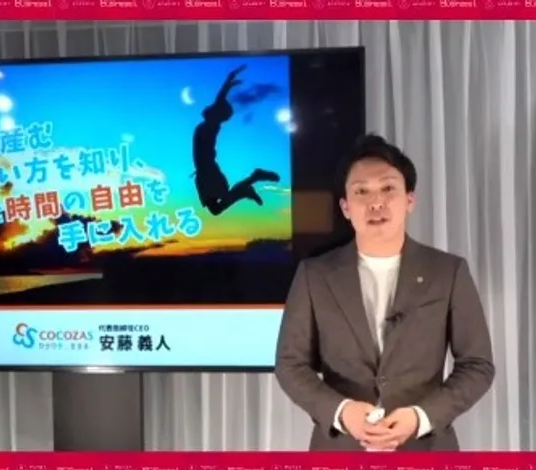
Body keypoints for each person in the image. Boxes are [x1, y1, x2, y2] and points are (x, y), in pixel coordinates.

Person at [274, 134, 495, 451]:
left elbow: (477, 364)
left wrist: (421, 417)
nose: (375, 202)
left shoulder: (448, 272)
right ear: (345, 207)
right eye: (361, 191)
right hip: (341, 450)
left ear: (409, 200)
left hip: (426, 449)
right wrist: (342, 412)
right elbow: (290, 364)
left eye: (388, 188)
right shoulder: (314, 275)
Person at [192, 65, 280, 216]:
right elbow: (218, 101)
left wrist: (227, 83)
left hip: (207, 170)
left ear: (216, 113)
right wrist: (227, 83)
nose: (209, 108)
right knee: (216, 208)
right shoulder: (208, 125)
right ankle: (251, 182)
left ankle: (252, 181)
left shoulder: (210, 125)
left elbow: (219, 100)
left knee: (217, 207)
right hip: (203, 171)